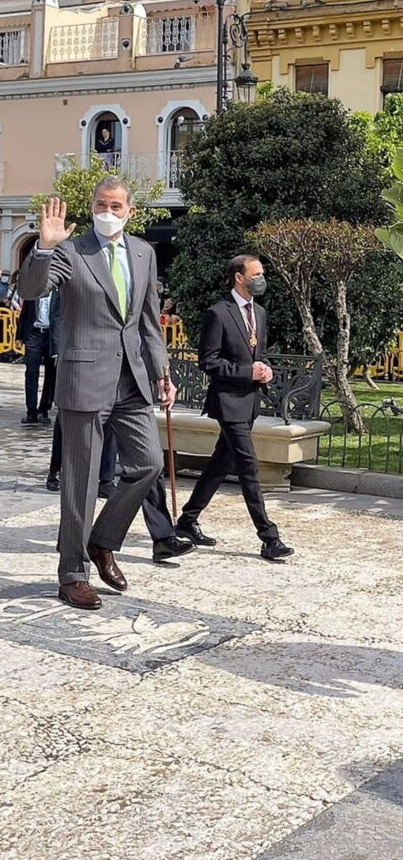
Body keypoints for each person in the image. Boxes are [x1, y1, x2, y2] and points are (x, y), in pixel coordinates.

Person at [18, 181, 176, 610]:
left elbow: (148, 322)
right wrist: (45, 248)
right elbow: (32, 290)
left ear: (130, 210)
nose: (109, 211)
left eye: (116, 205)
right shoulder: (72, 250)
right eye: (102, 205)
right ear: (91, 207)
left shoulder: (144, 253)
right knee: (82, 480)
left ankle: (102, 541)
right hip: (85, 377)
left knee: (148, 464)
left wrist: (162, 370)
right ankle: (71, 574)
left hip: (132, 378)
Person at [175, 255, 294, 563]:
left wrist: (263, 370)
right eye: (256, 274)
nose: (261, 278)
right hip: (228, 402)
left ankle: (187, 521)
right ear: (240, 278)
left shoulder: (260, 312)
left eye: (262, 273)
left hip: (249, 401)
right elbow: (209, 361)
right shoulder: (218, 313)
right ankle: (269, 537)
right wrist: (246, 372)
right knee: (248, 466)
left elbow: (260, 353)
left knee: (219, 464)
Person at [17, 294, 55, 426]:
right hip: (34, 334)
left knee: (51, 375)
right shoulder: (33, 293)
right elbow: (24, 314)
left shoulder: (59, 294)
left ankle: (44, 409)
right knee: (31, 374)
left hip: (52, 336)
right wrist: (20, 337)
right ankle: (31, 412)